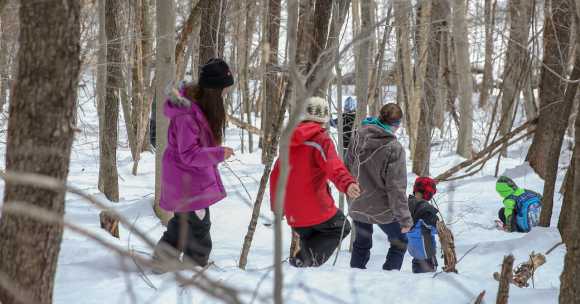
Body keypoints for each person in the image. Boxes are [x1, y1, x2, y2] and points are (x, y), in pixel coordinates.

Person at [152, 58, 235, 272]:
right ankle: (194, 267)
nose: (225, 94)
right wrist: (218, 153)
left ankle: (163, 261)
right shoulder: (187, 115)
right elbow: (189, 154)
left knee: (182, 223)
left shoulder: (196, 107)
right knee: (199, 225)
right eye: (224, 89)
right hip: (186, 178)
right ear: (214, 90)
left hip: (187, 178)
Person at [270, 96, 361, 268]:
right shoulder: (321, 140)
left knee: (309, 237)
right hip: (316, 207)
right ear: (324, 118)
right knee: (341, 227)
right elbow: (334, 166)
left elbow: (275, 175)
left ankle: (302, 268)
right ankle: (302, 262)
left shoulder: (288, 141)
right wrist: (347, 183)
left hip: (293, 212)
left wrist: (277, 206)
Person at [345, 103, 412, 271]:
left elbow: (347, 168)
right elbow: (396, 188)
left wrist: (351, 195)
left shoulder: (358, 136)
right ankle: (389, 278)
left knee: (361, 243)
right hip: (382, 209)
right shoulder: (394, 149)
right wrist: (404, 219)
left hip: (358, 203)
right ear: (396, 125)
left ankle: (354, 277)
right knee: (401, 241)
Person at [407, 177, 439, 273]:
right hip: (426, 253)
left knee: (418, 280)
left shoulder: (407, 204)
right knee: (427, 282)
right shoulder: (426, 210)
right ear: (428, 193)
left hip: (414, 251)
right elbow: (436, 228)